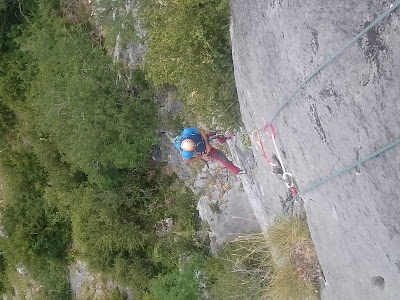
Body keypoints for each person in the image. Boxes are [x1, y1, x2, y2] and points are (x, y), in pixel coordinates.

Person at [174, 127, 246, 175]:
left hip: (201, 139)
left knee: (213, 132)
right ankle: (237, 171)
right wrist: (201, 156)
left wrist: (207, 143)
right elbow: (187, 160)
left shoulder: (188, 132)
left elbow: (201, 131)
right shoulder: (186, 153)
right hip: (202, 150)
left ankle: (223, 139)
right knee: (220, 156)